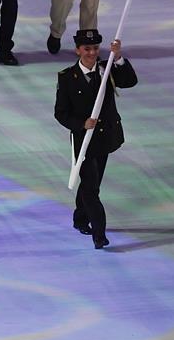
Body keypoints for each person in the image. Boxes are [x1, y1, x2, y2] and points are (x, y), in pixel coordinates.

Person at [55, 29, 138, 250]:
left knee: (93, 182)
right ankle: (99, 234)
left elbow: (130, 81)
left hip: (104, 137)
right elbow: (60, 113)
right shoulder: (66, 78)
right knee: (91, 188)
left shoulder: (107, 68)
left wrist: (118, 56)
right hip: (83, 140)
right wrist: (81, 124)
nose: (92, 53)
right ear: (77, 50)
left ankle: (80, 218)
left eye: (94, 48)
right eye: (87, 49)